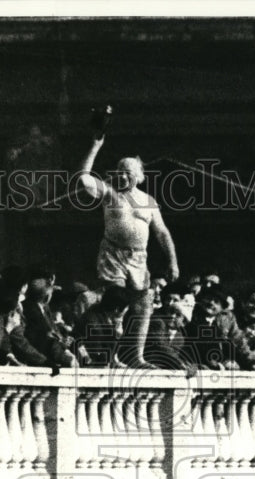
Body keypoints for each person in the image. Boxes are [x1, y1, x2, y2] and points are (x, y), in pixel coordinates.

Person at [79, 135, 179, 367]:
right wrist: (95, 146)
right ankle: (107, 354)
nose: (122, 175)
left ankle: (136, 355)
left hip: (139, 258)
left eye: (128, 172)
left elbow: (162, 233)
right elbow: (84, 178)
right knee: (115, 303)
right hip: (113, 255)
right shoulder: (109, 193)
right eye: (120, 171)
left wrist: (172, 262)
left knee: (145, 302)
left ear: (140, 177)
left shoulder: (149, 201)